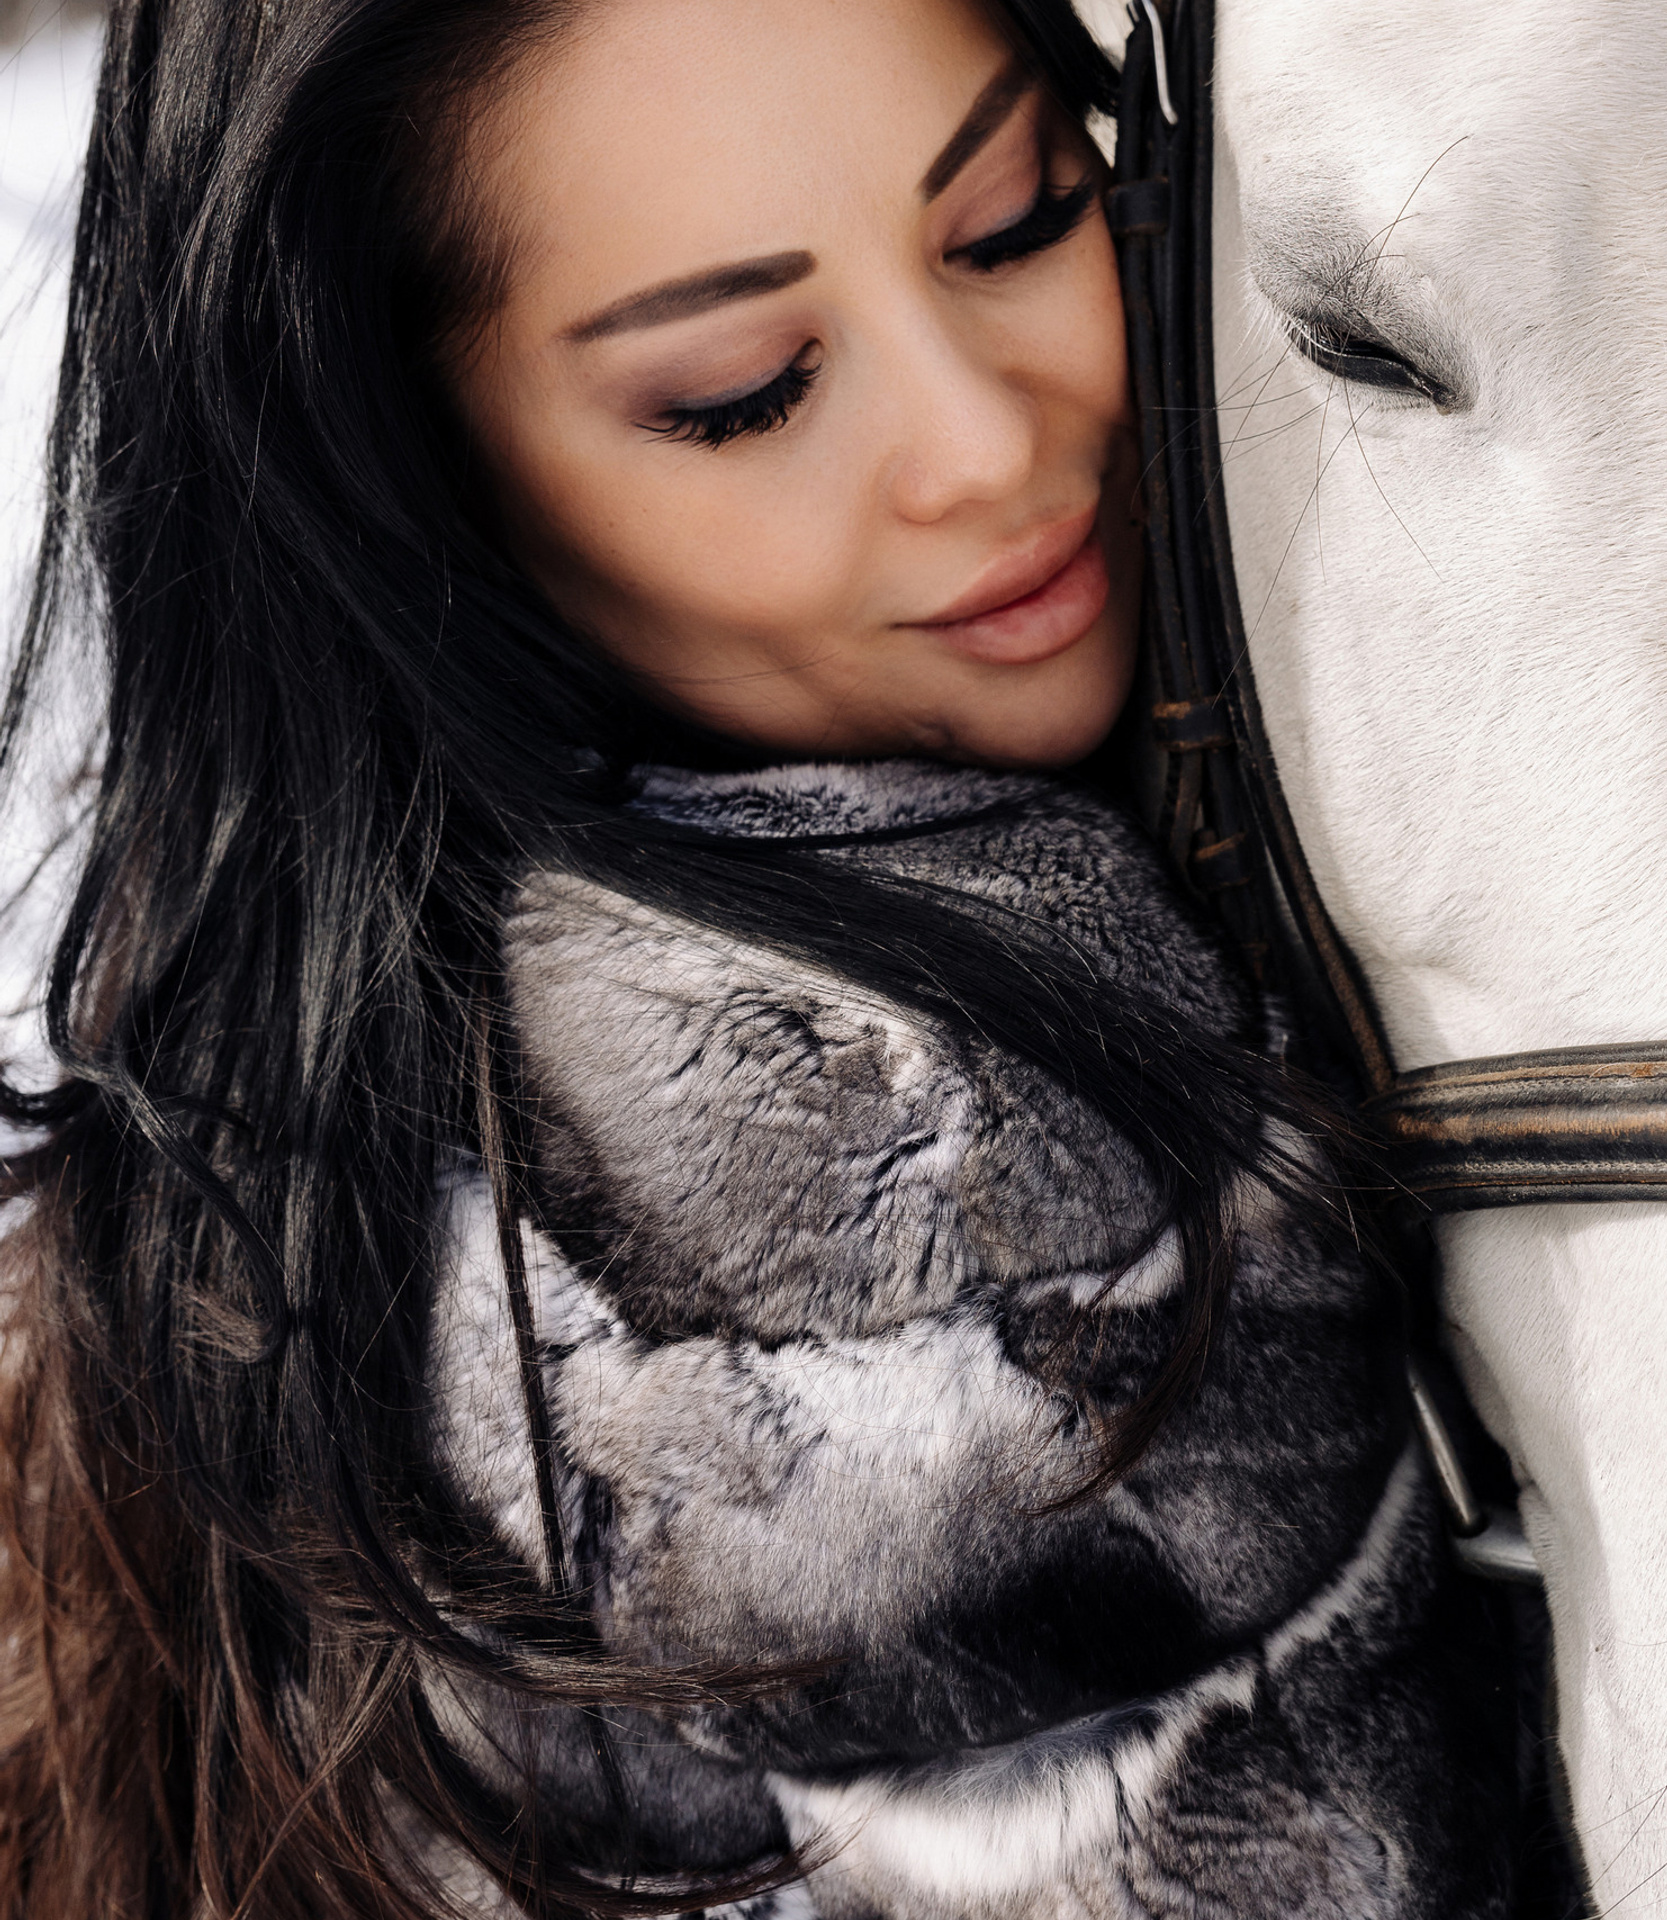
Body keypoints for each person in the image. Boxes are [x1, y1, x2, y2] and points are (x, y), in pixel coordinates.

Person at [0, 0, 1522, 1913]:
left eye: (1012, 224)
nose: (982, 443)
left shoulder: (357, 1119)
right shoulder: (916, 1219)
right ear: (424, 496)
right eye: (740, 392)